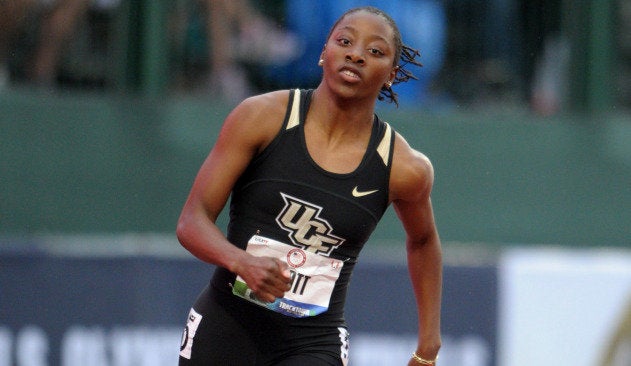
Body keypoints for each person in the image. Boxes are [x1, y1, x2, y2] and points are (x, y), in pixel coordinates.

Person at [176, 6, 442, 365]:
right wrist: (241, 262)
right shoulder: (260, 117)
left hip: (313, 343)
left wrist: (429, 345)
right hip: (226, 326)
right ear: (323, 52)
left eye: (374, 51)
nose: (355, 54)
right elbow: (192, 221)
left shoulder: (404, 168)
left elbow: (424, 241)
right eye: (344, 41)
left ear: (391, 75)